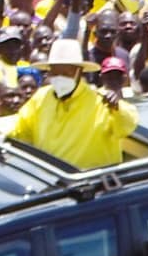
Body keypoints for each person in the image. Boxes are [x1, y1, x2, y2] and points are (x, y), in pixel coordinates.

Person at [10, 39, 139, 171]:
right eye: (55, 73)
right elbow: (19, 126)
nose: (60, 77)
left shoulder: (100, 101)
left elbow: (127, 126)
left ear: (79, 72)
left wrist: (117, 108)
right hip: (49, 180)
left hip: (90, 184)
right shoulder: (41, 97)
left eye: (66, 73)